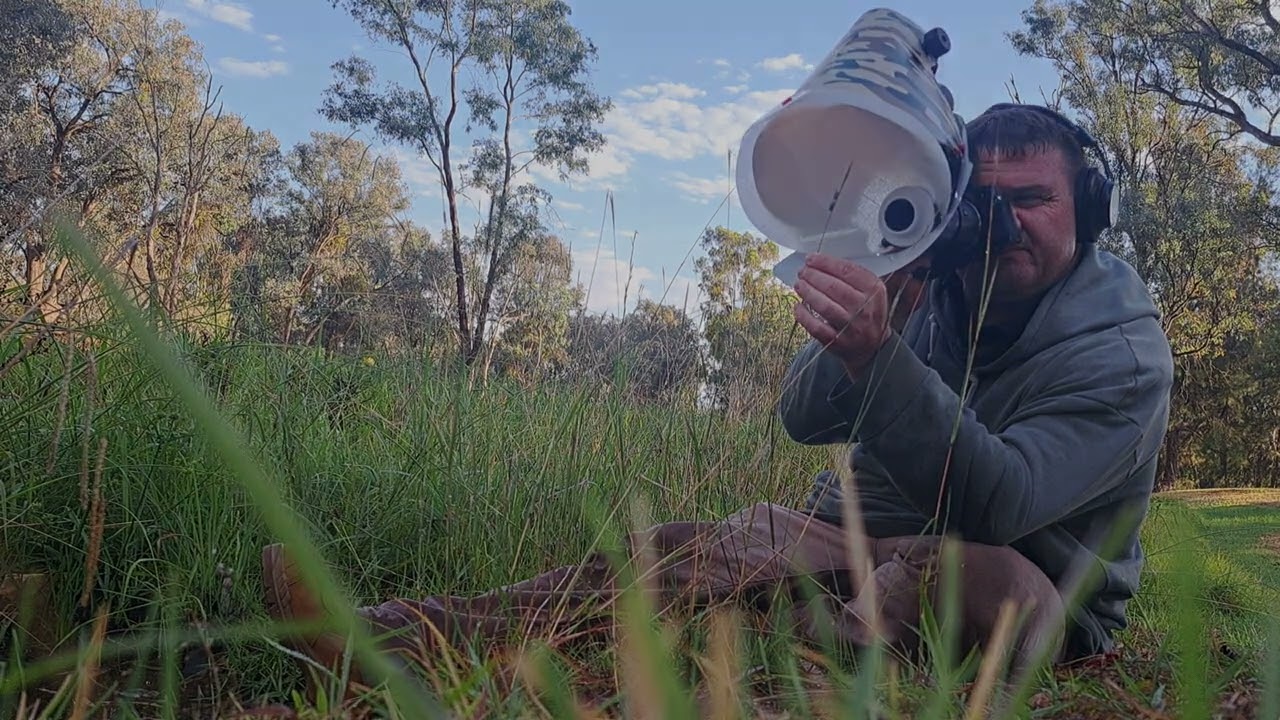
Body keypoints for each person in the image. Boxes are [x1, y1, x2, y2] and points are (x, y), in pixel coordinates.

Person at [260, 102, 1173, 698]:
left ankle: (795, 676)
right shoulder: (942, 286)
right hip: (855, 543)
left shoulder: (1122, 356)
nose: (1004, 220)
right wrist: (883, 310)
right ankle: (400, 639)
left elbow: (1002, 504)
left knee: (970, 574)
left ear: (1088, 212)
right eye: (985, 198)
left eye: (1035, 199)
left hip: (1027, 589)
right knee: (686, 550)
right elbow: (804, 417)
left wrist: (882, 357)